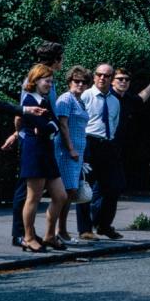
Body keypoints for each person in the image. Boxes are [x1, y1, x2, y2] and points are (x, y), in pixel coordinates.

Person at [3, 40, 63, 248]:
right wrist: (21, 132)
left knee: (41, 193)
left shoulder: (47, 83)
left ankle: (36, 234)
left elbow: (50, 119)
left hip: (43, 143)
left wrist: (48, 126)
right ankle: (22, 234)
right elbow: (26, 114)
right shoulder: (34, 81)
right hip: (33, 143)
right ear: (55, 60)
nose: (62, 63)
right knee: (27, 193)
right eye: (61, 59)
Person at [17, 64, 68, 252]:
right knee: (34, 197)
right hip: (35, 152)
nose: (50, 85)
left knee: (60, 195)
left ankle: (49, 235)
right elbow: (42, 126)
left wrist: (49, 127)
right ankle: (28, 237)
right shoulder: (29, 100)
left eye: (51, 81)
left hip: (47, 151)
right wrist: (48, 127)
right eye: (47, 81)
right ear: (36, 80)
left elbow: (52, 124)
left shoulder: (44, 101)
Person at [76, 63, 124, 240]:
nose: (102, 78)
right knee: (85, 187)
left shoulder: (115, 101)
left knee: (113, 187)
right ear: (94, 77)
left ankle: (103, 225)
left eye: (107, 75)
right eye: (99, 75)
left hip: (107, 144)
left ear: (111, 79)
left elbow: (114, 123)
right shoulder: (86, 96)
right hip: (89, 143)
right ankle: (85, 229)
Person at [53, 66, 91, 241]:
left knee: (70, 192)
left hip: (77, 152)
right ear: (69, 82)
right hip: (67, 151)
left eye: (84, 82)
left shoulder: (80, 101)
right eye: (77, 81)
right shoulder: (66, 99)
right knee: (66, 192)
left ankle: (62, 230)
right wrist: (70, 149)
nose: (80, 84)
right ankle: (58, 230)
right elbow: (63, 125)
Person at [111, 66, 150, 190]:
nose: (123, 81)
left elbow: (141, 98)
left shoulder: (127, 98)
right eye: (120, 79)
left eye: (127, 79)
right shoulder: (108, 96)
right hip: (106, 143)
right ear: (112, 81)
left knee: (115, 185)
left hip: (120, 145)